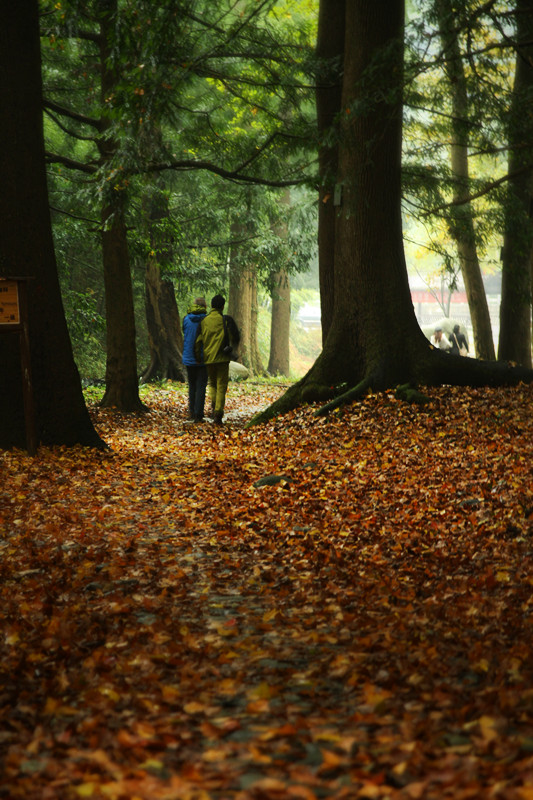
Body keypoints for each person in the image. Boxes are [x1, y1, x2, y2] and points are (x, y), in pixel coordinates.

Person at [198, 294, 240, 425]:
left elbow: (199, 340)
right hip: (222, 358)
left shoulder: (204, 321)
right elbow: (235, 336)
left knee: (212, 384)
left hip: (209, 358)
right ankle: (218, 413)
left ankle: (213, 407)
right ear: (222, 306)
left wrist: (198, 355)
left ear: (211, 305)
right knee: (221, 386)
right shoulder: (226, 320)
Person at [182, 297, 207, 422]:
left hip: (188, 357)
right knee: (201, 386)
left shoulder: (186, 319)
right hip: (202, 358)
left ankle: (191, 411)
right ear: (205, 307)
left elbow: (185, 332)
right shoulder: (206, 320)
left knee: (191, 385)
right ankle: (199, 414)